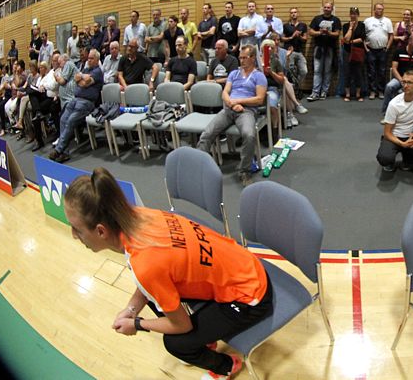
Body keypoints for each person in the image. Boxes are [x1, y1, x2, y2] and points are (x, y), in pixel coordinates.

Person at [62, 167, 271, 380]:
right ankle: (204, 340)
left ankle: (226, 367)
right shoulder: (137, 216)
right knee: (156, 300)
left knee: (176, 344)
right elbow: (150, 283)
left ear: (100, 231)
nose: (73, 235)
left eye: (77, 229)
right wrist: (131, 309)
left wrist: (136, 324)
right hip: (243, 265)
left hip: (251, 296)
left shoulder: (144, 262)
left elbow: (181, 324)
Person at [198, 45, 267, 186]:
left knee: (249, 135)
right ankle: (200, 166)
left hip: (246, 111)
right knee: (207, 133)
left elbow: (260, 99)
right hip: (229, 109)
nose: (241, 60)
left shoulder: (259, 76)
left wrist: (238, 101)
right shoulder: (234, 74)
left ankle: (244, 171)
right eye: (240, 57)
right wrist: (231, 103)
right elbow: (225, 92)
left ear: (253, 58)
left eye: (244, 57)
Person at [50, 49, 104, 163]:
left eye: (91, 58)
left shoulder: (98, 71)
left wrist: (82, 79)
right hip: (75, 99)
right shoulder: (86, 69)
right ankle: (64, 153)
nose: (89, 60)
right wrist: (82, 78)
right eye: (88, 58)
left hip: (87, 103)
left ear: (97, 60)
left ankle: (59, 149)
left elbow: (85, 81)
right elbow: (77, 80)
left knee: (70, 121)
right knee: (63, 119)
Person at [377, 70, 413, 174]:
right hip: (394, 137)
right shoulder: (394, 104)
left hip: (410, 136)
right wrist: (402, 144)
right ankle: (394, 156)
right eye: (403, 82)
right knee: (384, 158)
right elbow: (387, 133)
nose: (405, 86)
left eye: (409, 83)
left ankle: (407, 159)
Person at [307, 2, 341, 101]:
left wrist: (329, 33)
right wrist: (320, 32)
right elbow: (311, 32)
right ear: (323, 8)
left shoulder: (336, 20)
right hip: (319, 48)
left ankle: (324, 92)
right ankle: (315, 93)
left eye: (328, 7)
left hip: (330, 48)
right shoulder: (317, 18)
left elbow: (337, 34)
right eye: (325, 7)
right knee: (317, 71)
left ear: (332, 9)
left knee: (327, 71)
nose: (326, 9)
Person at [383, 33, 413, 114]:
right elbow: (394, 68)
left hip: (412, 80)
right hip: (399, 77)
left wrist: (410, 82)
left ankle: (404, 113)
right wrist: (402, 81)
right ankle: (387, 112)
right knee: (389, 86)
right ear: (410, 41)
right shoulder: (399, 51)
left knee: (402, 92)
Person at [364, 3, 393, 100]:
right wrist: (366, 49)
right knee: (371, 72)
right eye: (378, 9)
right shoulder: (367, 21)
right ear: (374, 10)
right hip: (370, 50)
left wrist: (387, 48)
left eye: (381, 9)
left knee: (382, 71)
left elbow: (391, 35)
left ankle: (381, 91)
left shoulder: (387, 21)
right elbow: (362, 35)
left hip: (383, 50)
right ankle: (372, 91)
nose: (380, 10)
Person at [342, 7, 366, 102]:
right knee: (347, 72)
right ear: (349, 15)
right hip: (347, 52)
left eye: (355, 14)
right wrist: (351, 28)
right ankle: (347, 94)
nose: (353, 15)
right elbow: (346, 39)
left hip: (358, 52)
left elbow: (362, 38)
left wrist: (350, 42)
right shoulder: (345, 26)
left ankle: (358, 94)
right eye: (352, 13)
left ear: (358, 15)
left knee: (358, 73)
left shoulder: (362, 25)